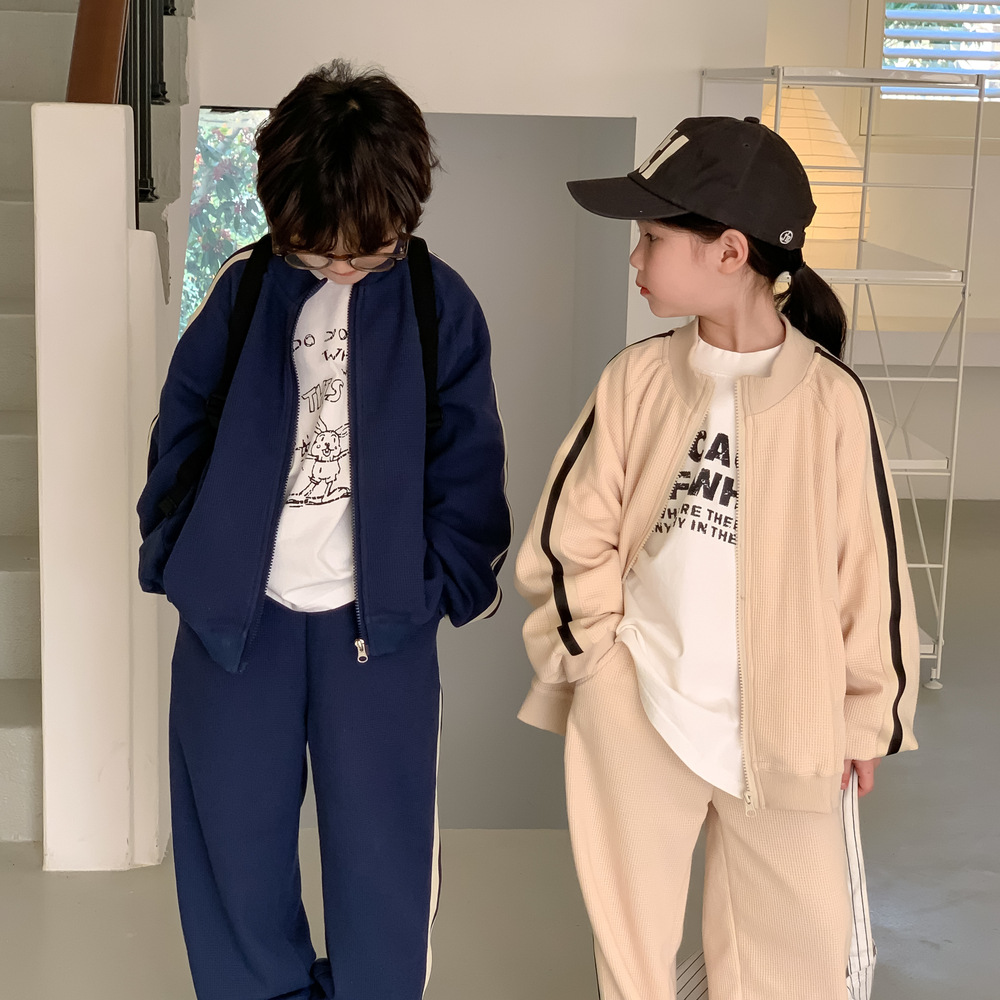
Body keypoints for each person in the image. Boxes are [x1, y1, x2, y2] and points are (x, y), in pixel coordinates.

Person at [514, 116, 918, 1000]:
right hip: (639, 711)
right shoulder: (636, 381)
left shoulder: (832, 403)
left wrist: (866, 717)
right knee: (632, 968)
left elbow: (871, 577)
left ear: (730, 251)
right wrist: (598, 666)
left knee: (791, 970)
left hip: (787, 733)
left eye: (653, 239)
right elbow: (568, 535)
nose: (636, 258)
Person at [138, 60, 511, 1000]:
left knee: (384, 868)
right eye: (315, 253)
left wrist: (433, 587)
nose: (341, 267)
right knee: (233, 860)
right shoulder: (243, 289)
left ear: (404, 214)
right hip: (237, 626)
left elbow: (470, 460)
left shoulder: (437, 303)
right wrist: (185, 560)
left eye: (366, 252)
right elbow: (180, 432)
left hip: (377, 631)